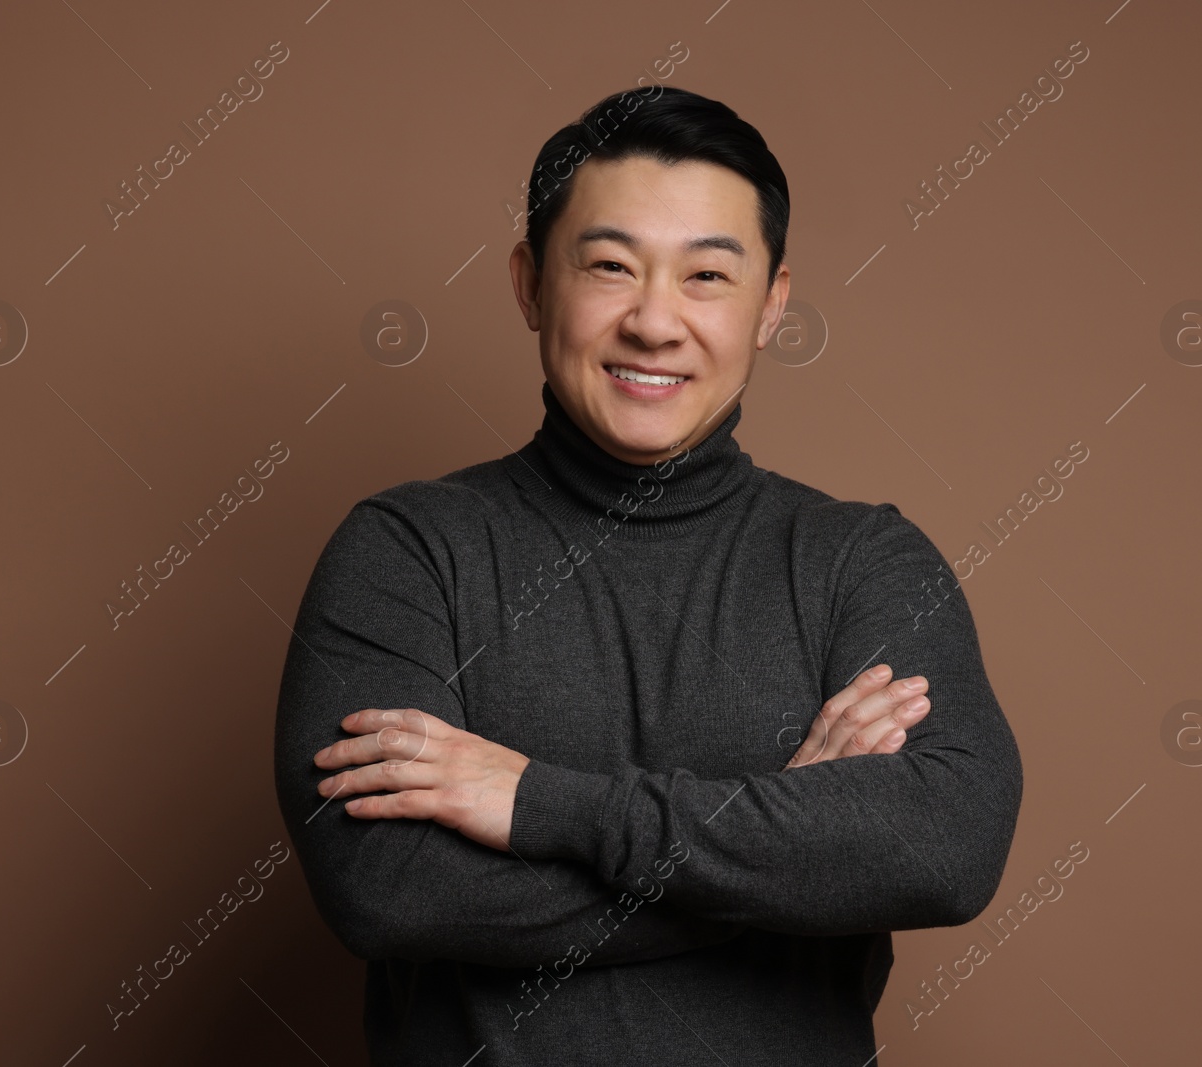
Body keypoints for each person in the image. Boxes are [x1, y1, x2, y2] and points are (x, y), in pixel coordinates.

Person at [273, 85, 1022, 1066]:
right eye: (611, 266)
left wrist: (537, 800)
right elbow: (385, 885)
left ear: (772, 305)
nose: (655, 322)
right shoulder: (406, 551)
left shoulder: (859, 563)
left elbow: (943, 849)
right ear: (530, 284)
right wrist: (778, 840)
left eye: (707, 275)